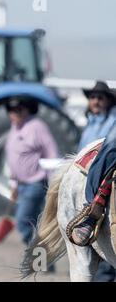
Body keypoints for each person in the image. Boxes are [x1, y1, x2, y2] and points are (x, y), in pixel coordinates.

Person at [75, 81, 116, 281]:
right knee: (109, 147)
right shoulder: (90, 124)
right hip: (87, 177)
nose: (96, 101)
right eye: (93, 97)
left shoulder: (111, 120)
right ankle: (92, 209)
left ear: (108, 101)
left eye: (101, 97)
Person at [4, 97, 59, 245]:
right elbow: (12, 157)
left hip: (35, 184)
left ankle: (37, 256)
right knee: (34, 224)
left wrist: (53, 186)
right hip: (21, 185)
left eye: (18, 109)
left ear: (27, 110)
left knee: (22, 221)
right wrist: (14, 184)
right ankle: (43, 260)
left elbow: (52, 153)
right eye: (11, 110)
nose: (14, 113)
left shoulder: (37, 126)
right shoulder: (14, 128)